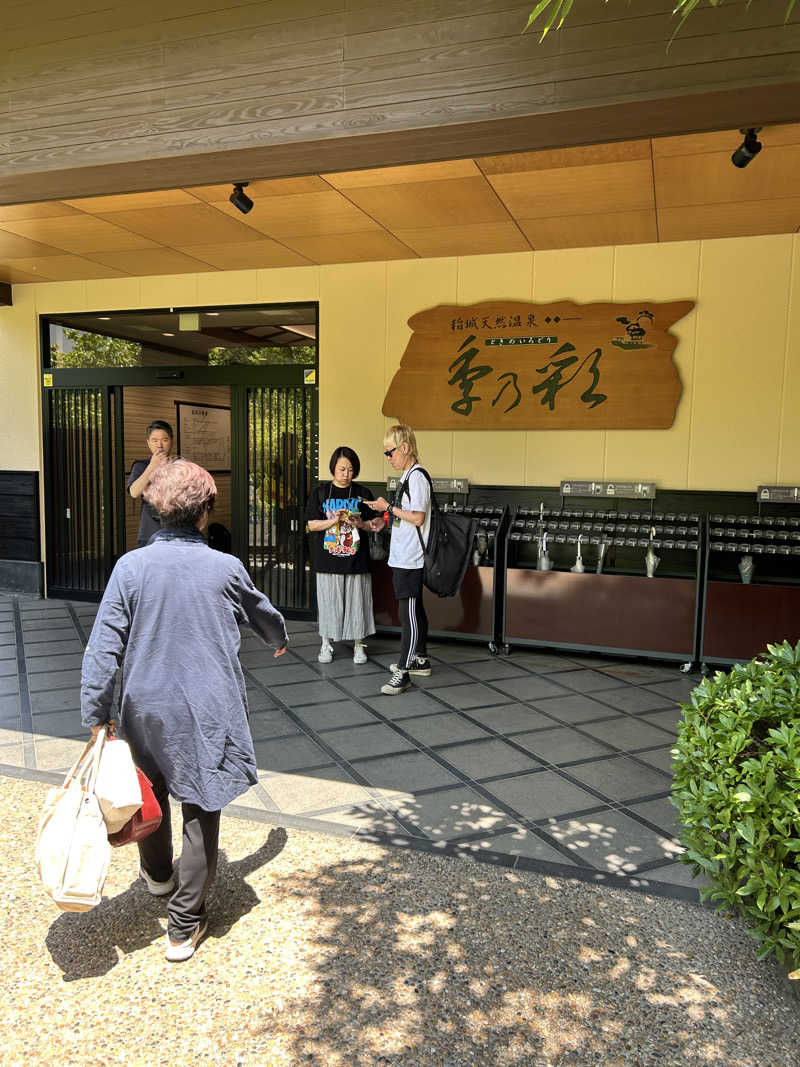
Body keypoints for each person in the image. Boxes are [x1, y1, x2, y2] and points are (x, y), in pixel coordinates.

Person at [80, 458, 288, 962]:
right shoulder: (224, 566)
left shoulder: (130, 567)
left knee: (146, 791)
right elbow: (262, 613)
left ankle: (157, 877)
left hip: (145, 705)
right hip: (205, 705)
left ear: (155, 508)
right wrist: (277, 638)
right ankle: (183, 926)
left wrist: (96, 711)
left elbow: (103, 646)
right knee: (200, 803)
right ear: (204, 514)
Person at [365, 425, 432, 695]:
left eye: (389, 452)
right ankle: (421, 658)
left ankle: (403, 672)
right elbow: (407, 516)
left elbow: (418, 517)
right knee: (415, 610)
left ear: (404, 448)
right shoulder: (408, 476)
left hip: (411, 557)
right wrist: (385, 522)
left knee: (409, 614)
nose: (388, 457)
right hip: (404, 554)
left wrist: (387, 508)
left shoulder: (416, 477)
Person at [305, 446, 382, 664]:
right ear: (333, 468)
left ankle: (359, 645)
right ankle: (326, 645)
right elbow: (311, 524)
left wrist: (361, 523)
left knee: (358, 602)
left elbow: (377, 523)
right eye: (341, 469)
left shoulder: (363, 493)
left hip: (356, 559)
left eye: (350, 469)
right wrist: (334, 520)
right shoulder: (320, 493)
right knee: (329, 602)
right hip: (327, 558)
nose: (345, 473)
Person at [127, 420, 174, 547]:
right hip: (150, 532)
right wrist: (152, 466)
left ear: (171, 441)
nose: (159, 445)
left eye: (164, 440)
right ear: (148, 443)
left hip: (176, 532)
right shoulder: (141, 466)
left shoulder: (179, 466)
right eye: (154, 440)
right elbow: (134, 492)